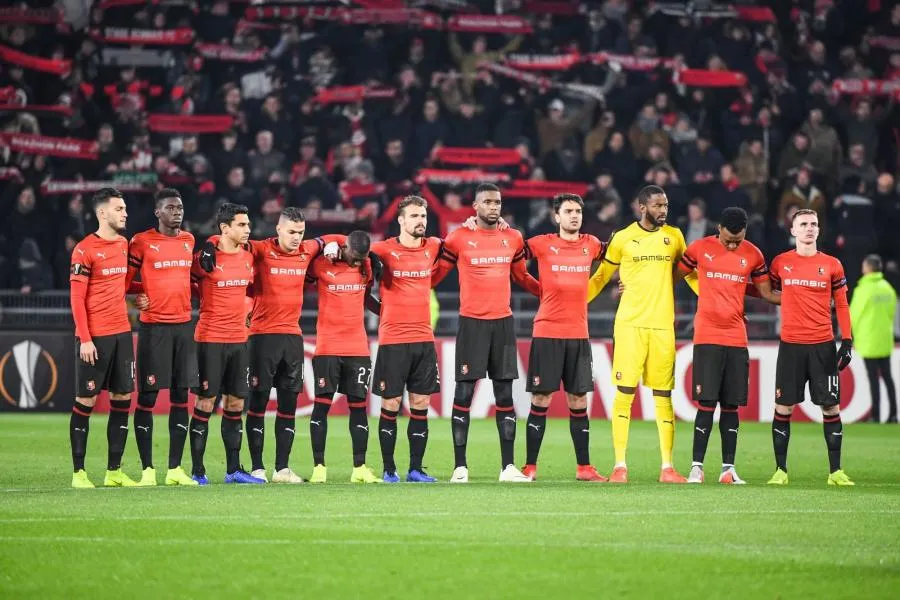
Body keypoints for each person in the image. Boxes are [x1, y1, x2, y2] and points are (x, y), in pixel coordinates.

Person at [586, 185, 696, 484]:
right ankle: (620, 465)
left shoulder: (674, 236)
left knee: (663, 395)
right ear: (642, 207)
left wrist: (716, 303)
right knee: (624, 394)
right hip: (630, 325)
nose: (664, 210)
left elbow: (689, 274)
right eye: (658, 205)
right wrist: (575, 302)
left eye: (666, 205)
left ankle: (668, 468)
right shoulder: (622, 238)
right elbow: (600, 277)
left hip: (662, 325)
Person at [432, 182, 541, 483]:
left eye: (498, 202)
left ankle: (507, 467)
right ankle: (460, 467)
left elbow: (522, 276)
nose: (494, 207)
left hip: (502, 325)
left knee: (505, 396)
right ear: (476, 207)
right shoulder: (458, 239)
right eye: (489, 202)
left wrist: (546, 293)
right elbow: (435, 275)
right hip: (472, 324)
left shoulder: (513, 237)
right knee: (464, 394)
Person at [677, 207, 781, 485]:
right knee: (707, 402)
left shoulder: (754, 254)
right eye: (728, 240)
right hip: (707, 335)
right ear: (718, 228)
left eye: (738, 240)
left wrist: (803, 295)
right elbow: (672, 276)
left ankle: (728, 469)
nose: (733, 245)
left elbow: (766, 292)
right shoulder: (699, 248)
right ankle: (696, 467)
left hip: (736, 336)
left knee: (732, 405)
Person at [235, 207, 336, 484]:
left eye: (300, 232)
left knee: (288, 405)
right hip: (262, 337)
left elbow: (333, 237)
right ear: (278, 229)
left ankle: (281, 469)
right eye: (291, 231)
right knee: (257, 404)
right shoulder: (261, 249)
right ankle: (257, 468)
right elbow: (229, 240)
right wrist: (209, 246)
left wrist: (334, 246)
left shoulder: (306, 249)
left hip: (292, 337)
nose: (296, 237)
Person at [520, 194, 607, 482]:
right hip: (547, 332)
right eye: (568, 211)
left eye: (578, 211)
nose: (574, 216)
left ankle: (584, 468)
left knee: (578, 399)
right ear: (556, 216)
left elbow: (618, 258)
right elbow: (511, 257)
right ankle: (530, 467)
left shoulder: (592, 245)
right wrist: (537, 288)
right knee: (542, 398)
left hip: (578, 334)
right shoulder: (540, 244)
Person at [767, 208, 855, 486]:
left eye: (814, 224)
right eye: (803, 224)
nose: (809, 228)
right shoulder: (781, 263)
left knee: (830, 408)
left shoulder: (832, 264)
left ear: (819, 229)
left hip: (823, 346)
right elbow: (765, 291)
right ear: (792, 230)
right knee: (783, 406)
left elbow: (841, 303)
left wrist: (848, 340)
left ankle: (835, 472)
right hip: (790, 346)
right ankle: (780, 471)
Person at [369, 196, 444, 483]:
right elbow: (354, 246)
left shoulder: (434, 246)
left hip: (423, 340)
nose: (420, 221)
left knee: (420, 405)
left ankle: (415, 469)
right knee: (390, 405)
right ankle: (389, 470)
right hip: (393, 341)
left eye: (423, 215)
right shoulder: (383, 249)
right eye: (414, 216)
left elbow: (460, 244)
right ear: (400, 220)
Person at [127, 188, 198, 486]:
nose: (177, 212)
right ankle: (147, 471)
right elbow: (125, 280)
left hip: (183, 326)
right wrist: (138, 294)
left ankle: (174, 470)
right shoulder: (141, 242)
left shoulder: (189, 240)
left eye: (179, 207)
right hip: (154, 328)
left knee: (182, 398)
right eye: (170, 207)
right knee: (148, 397)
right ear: (158, 212)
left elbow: (192, 281)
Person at [189, 203, 262, 485]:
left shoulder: (248, 257)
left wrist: (248, 311)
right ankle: (198, 472)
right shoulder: (205, 258)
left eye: (248, 225)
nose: (248, 230)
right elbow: (188, 286)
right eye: (242, 225)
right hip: (210, 340)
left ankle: (233, 470)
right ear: (224, 228)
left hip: (240, 342)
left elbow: (252, 290)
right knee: (206, 402)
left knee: (235, 403)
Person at [69, 188, 138, 488]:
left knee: (122, 399)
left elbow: (121, 286)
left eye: (124, 208)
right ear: (102, 213)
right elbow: (76, 298)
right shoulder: (84, 249)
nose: (125, 213)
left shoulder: (123, 244)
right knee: (86, 400)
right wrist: (85, 338)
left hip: (122, 333)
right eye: (119, 208)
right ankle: (79, 473)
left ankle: (114, 472)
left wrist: (141, 294)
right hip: (95, 338)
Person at [306, 231, 382, 484]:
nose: (356, 262)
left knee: (359, 409)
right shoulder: (321, 264)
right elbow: (306, 258)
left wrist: (386, 311)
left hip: (358, 348)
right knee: (321, 406)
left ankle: (359, 468)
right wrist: (330, 243)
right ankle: (319, 467)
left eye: (361, 259)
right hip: (327, 347)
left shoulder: (366, 266)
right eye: (353, 257)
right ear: (344, 247)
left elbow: (366, 298)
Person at [850, 254, 898, 423]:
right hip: (884, 339)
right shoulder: (888, 288)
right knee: (888, 378)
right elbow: (892, 313)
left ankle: (876, 415)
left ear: (868, 268)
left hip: (868, 340)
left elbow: (854, 315)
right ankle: (893, 414)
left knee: (873, 379)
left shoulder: (863, 290)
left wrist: (851, 336)